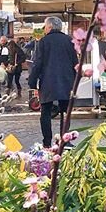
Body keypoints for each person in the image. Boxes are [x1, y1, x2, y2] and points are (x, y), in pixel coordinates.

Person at [28, 17, 78, 149]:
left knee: (46, 112)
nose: (44, 29)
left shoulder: (44, 41)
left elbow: (37, 63)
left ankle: (47, 142)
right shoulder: (69, 41)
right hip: (66, 80)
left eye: (45, 27)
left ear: (49, 27)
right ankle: (65, 139)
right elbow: (75, 62)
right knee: (65, 112)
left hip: (48, 81)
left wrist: (32, 82)